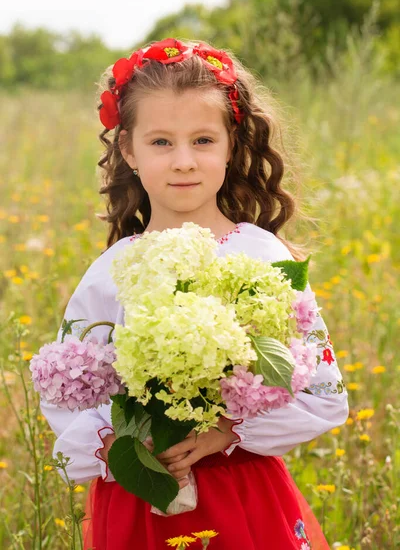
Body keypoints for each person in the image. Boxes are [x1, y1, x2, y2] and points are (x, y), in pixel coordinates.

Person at [40, 38, 349, 549]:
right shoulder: (111, 270)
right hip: (141, 497)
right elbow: (67, 388)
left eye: (203, 140)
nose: (183, 161)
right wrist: (117, 442)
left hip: (240, 491)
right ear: (128, 150)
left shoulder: (262, 255)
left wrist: (227, 430)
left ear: (232, 144)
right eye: (161, 142)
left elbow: (322, 392)